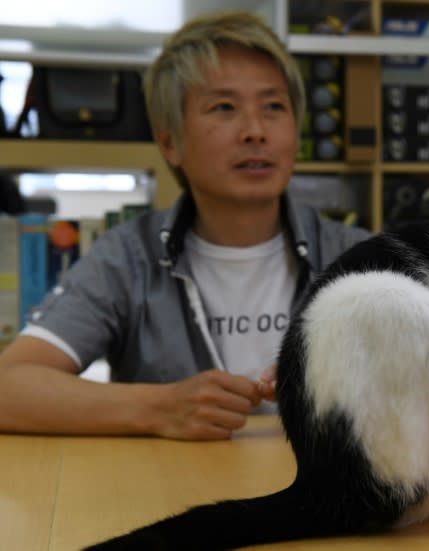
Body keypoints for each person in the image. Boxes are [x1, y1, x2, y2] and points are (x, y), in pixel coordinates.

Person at [0, 11, 370, 441]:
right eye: (224, 108)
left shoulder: (357, 258)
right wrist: (159, 408)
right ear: (169, 142)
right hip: (175, 495)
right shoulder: (128, 258)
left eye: (274, 107)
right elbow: (10, 387)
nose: (255, 131)